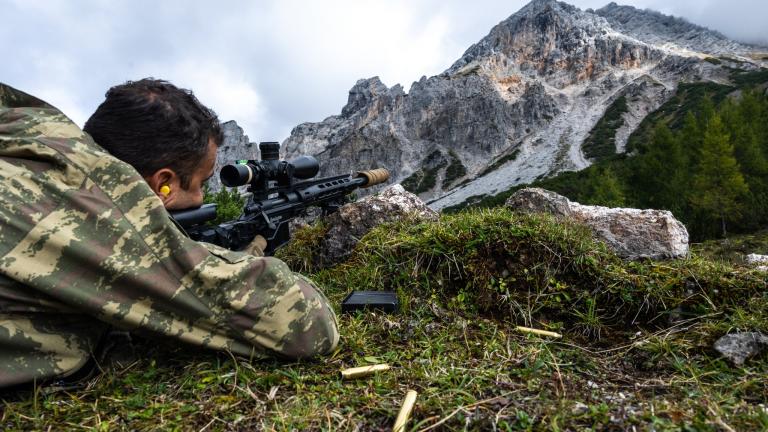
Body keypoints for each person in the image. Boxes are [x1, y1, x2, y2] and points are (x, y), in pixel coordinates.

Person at [0, 79, 339, 388]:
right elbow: (305, 323)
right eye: (203, 184)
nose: (203, 199)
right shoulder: (99, 211)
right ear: (163, 184)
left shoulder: (28, 136)